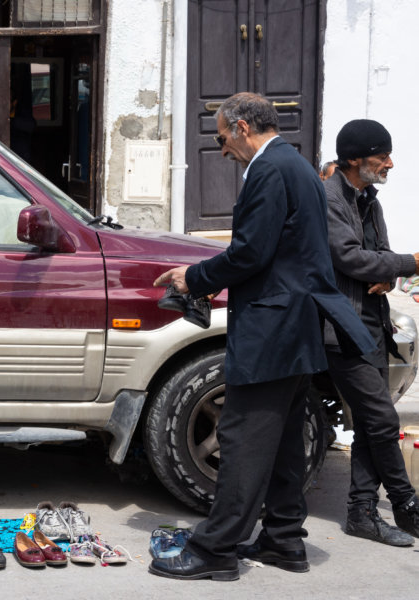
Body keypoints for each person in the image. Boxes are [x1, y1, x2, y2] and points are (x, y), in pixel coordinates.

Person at [149, 92, 374, 581]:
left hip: (273, 328)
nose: (222, 146)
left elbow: (251, 252)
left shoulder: (271, 170)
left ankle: (215, 550)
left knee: (244, 436)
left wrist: (195, 277)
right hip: (295, 326)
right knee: (286, 440)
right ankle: (284, 540)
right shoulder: (298, 167)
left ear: (244, 126)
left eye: (223, 135)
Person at [323, 119, 419, 546]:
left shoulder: (369, 200)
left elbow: (376, 257)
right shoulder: (327, 199)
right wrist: (408, 263)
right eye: (383, 156)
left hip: (372, 322)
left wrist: (388, 271)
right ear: (356, 159)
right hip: (341, 327)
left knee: (368, 420)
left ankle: (362, 512)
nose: (391, 164)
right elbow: (349, 259)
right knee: (382, 420)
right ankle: (406, 503)